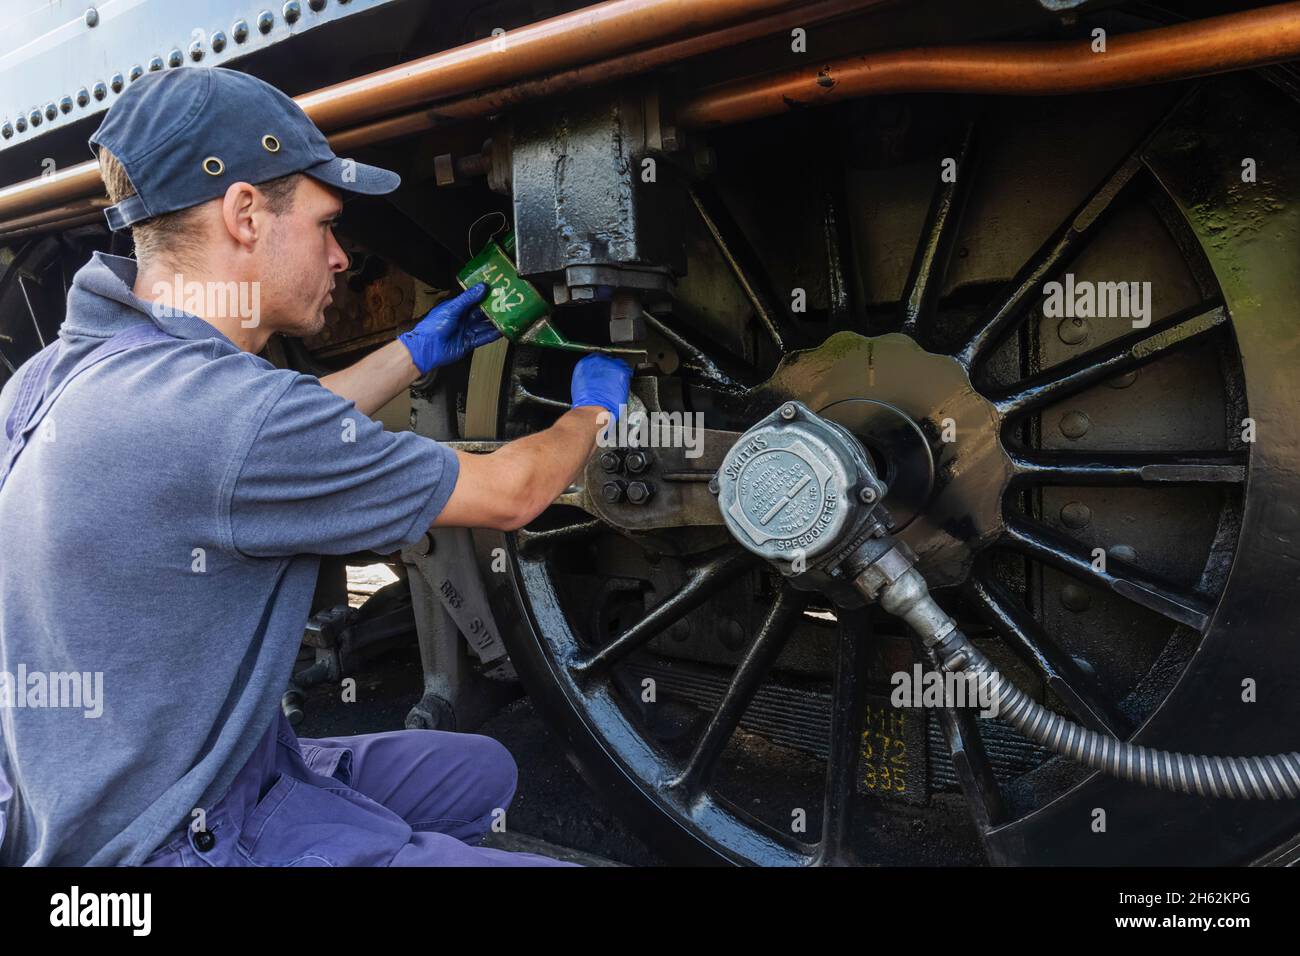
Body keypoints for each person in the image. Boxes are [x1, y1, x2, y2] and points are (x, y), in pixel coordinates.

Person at [0, 66, 631, 866]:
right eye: (327, 224)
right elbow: (513, 493)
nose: (341, 258)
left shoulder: (52, 378)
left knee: (478, 770)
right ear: (244, 214)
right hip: (173, 843)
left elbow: (259, 441)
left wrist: (416, 348)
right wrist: (595, 411)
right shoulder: (231, 416)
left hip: (100, 796)